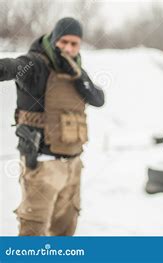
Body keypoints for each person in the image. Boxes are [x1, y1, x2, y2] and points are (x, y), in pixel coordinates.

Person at [0, 17, 105, 236]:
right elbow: (12, 67)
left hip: (73, 165)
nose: (68, 48)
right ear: (54, 39)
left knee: (65, 232)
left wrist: (79, 75)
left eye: (74, 44)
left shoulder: (76, 70)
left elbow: (98, 99)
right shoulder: (36, 65)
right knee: (33, 234)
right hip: (42, 166)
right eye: (63, 42)